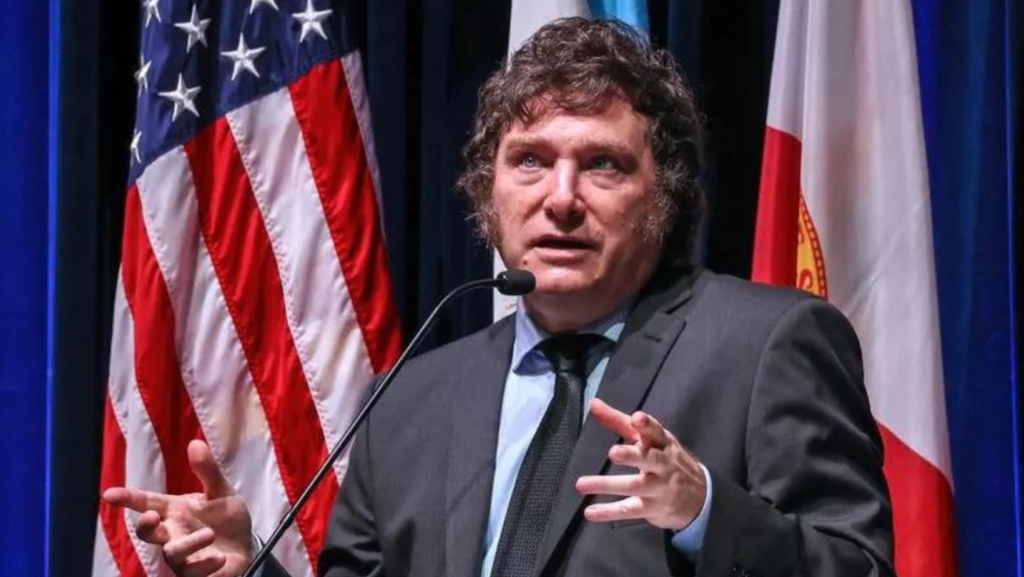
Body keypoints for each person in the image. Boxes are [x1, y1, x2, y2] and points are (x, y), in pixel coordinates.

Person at [104, 17, 895, 577]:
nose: (561, 199)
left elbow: (856, 565)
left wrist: (705, 513)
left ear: (667, 195)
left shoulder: (765, 344)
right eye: (529, 161)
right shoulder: (411, 395)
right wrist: (251, 563)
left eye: (604, 165)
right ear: (487, 192)